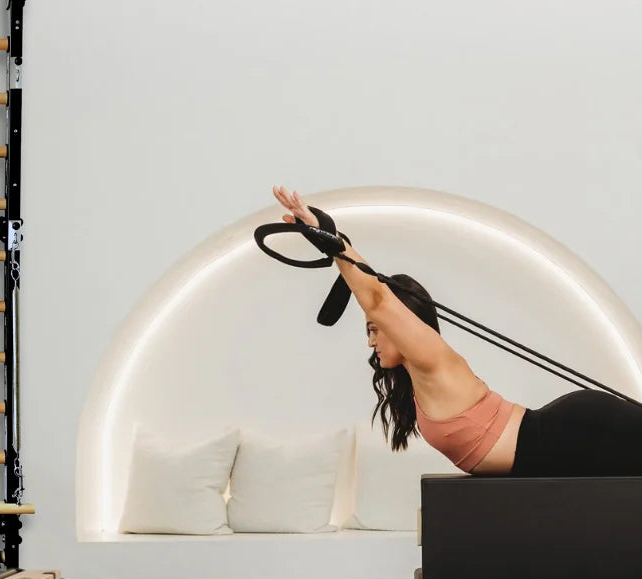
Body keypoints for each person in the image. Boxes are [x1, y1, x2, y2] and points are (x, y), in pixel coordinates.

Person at [272, 185, 642, 478]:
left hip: (577, 432)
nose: (370, 340)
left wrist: (335, 243)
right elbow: (377, 297)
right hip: (558, 446)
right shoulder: (418, 379)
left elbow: (379, 300)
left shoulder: (432, 359)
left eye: (375, 330)